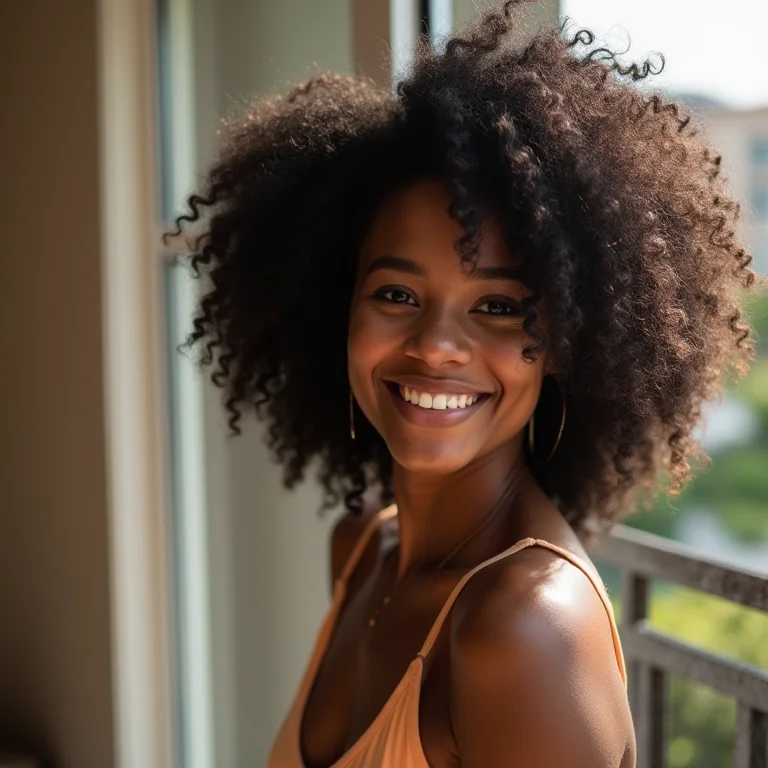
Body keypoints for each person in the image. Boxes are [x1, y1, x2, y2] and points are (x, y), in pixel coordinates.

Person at [164, 1, 759, 765]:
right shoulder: (362, 550)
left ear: (564, 346)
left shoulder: (521, 630)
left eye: (500, 307)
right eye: (397, 294)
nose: (439, 346)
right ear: (333, 306)